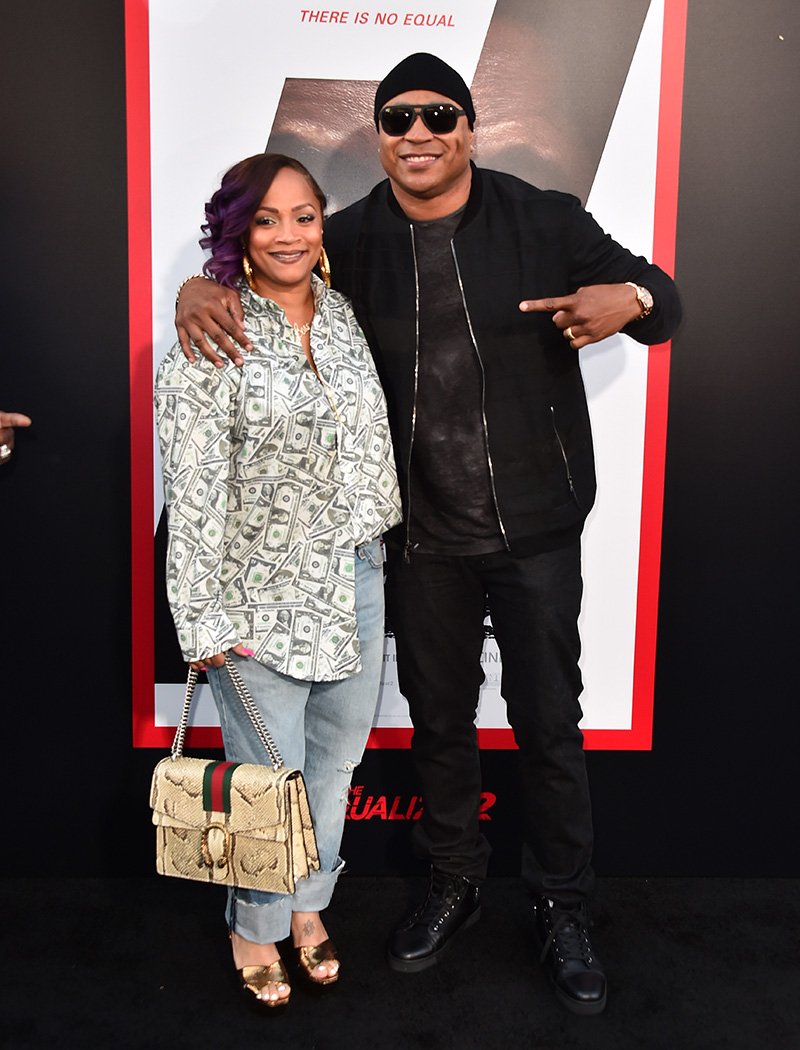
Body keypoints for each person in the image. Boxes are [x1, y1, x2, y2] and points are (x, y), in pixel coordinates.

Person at [174, 54, 682, 1015]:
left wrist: (641, 299)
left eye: (438, 114)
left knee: (549, 725)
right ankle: (454, 883)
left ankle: (562, 906)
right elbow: (266, 276)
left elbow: (662, 301)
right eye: (398, 116)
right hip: (419, 543)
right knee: (441, 726)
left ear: (467, 126)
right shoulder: (350, 240)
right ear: (379, 135)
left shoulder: (544, 217)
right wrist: (198, 290)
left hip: (534, 531)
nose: (419, 131)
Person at [155, 153, 401, 1009]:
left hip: (356, 580)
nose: (290, 235)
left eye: (304, 216)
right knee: (270, 782)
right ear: (238, 233)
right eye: (267, 220)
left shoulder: (339, 317)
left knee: (334, 769)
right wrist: (204, 623)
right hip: (254, 599)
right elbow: (189, 492)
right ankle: (254, 927)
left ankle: (307, 908)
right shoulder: (209, 331)